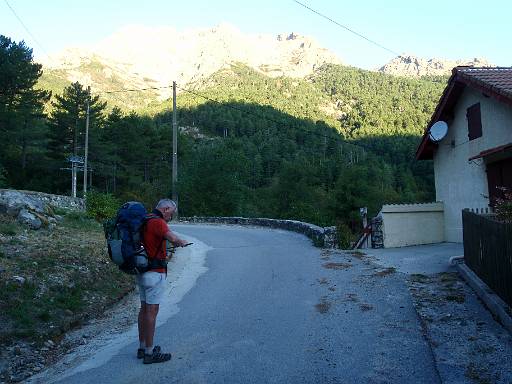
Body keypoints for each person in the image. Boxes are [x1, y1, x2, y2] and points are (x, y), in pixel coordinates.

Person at [136, 199, 188, 364]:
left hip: (142, 271)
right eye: (171, 212)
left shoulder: (145, 219)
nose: (171, 216)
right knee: (152, 312)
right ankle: (150, 353)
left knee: (144, 309)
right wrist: (182, 242)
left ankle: (142, 347)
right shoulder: (158, 222)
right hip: (154, 273)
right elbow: (174, 238)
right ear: (165, 209)